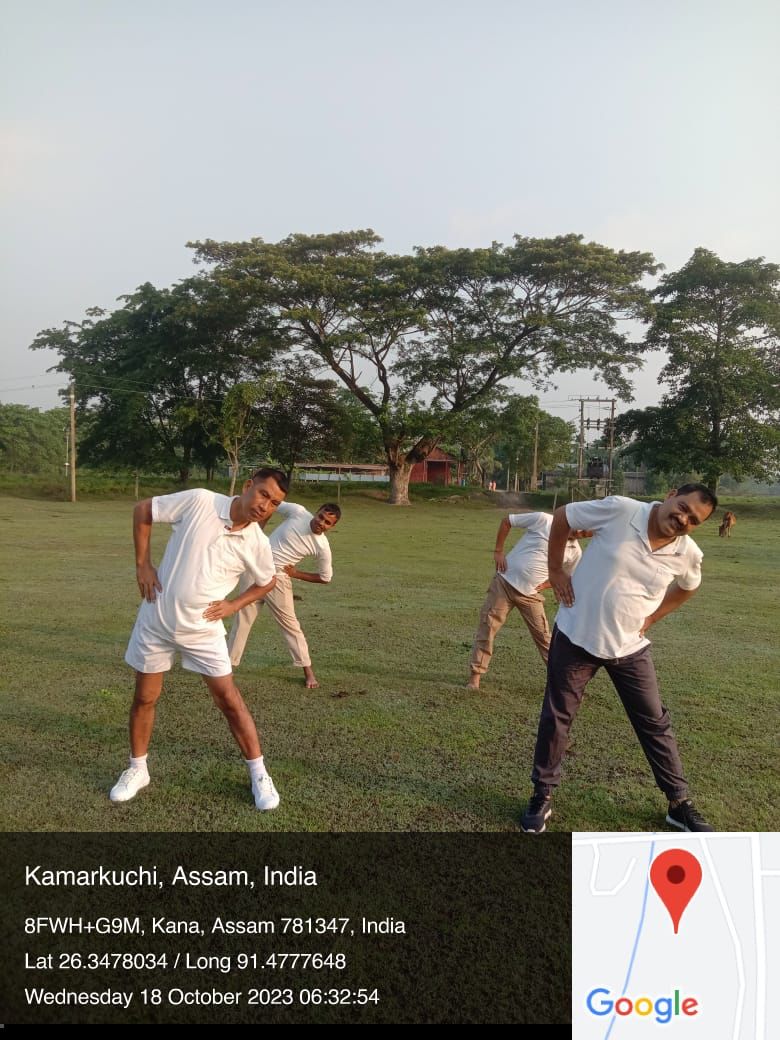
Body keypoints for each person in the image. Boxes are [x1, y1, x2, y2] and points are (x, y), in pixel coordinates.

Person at [520, 484, 718, 834]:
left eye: (693, 519)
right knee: (557, 717)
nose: (683, 518)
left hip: (629, 647)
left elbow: (689, 586)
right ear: (671, 494)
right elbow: (564, 515)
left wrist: (653, 618)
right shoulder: (623, 510)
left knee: (654, 723)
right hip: (575, 635)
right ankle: (542, 796)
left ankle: (678, 803)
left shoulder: (687, 553)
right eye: (683, 506)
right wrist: (555, 570)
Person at [109, 467, 289, 811]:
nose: (266, 506)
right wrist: (143, 564)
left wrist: (234, 604)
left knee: (229, 700)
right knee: (145, 697)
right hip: (156, 620)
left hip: (204, 631)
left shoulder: (257, 543)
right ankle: (137, 769)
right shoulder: (200, 501)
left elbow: (267, 581)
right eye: (264, 494)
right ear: (249, 485)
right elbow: (143, 510)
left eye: (275, 503)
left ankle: (259, 774)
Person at [227, 502, 341, 688]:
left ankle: (308, 671)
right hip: (255, 570)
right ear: (317, 512)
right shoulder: (298, 512)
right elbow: (271, 505)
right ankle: (227, 668)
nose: (321, 522)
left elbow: (325, 578)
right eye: (320, 516)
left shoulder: (322, 546)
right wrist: (259, 528)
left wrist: (296, 574)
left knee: (290, 625)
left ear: (332, 526)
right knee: (242, 620)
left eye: (327, 522)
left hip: (278, 579)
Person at [466, 512, 586, 690]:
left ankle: (563, 683)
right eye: (581, 526)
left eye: (585, 533)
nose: (580, 532)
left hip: (530, 595)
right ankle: (475, 677)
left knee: (545, 639)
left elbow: (566, 576)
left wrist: (545, 585)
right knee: (488, 627)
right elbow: (507, 521)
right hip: (504, 583)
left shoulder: (575, 552)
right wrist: (498, 551)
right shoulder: (544, 520)